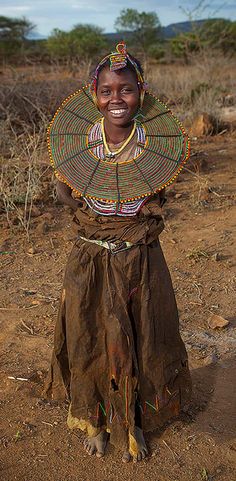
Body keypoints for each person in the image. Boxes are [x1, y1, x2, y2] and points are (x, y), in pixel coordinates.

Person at [46, 42, 192, 463]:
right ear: (95, 93)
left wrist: (149, 204)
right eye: (107, 90)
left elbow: (157, 188)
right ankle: (96, 419)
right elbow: (63, 186)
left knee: (138, 338)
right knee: (90, 335)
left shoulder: (156, 145)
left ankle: (133, 421)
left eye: (125, 89)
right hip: (90, 257)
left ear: (140, 92)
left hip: (138, 259)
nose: (116, 99)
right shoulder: (80, 143)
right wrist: (72, 200)